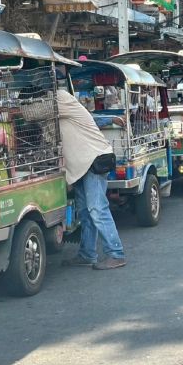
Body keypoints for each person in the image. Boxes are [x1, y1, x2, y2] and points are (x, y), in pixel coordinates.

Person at [56, 88, 126, 270]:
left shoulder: (61, 98)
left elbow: (33, 114)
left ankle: (116, 254)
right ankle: (87, 254)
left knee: (97, 209)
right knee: (85, 212)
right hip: (81, 165)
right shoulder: (60, 106)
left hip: (94, 160)